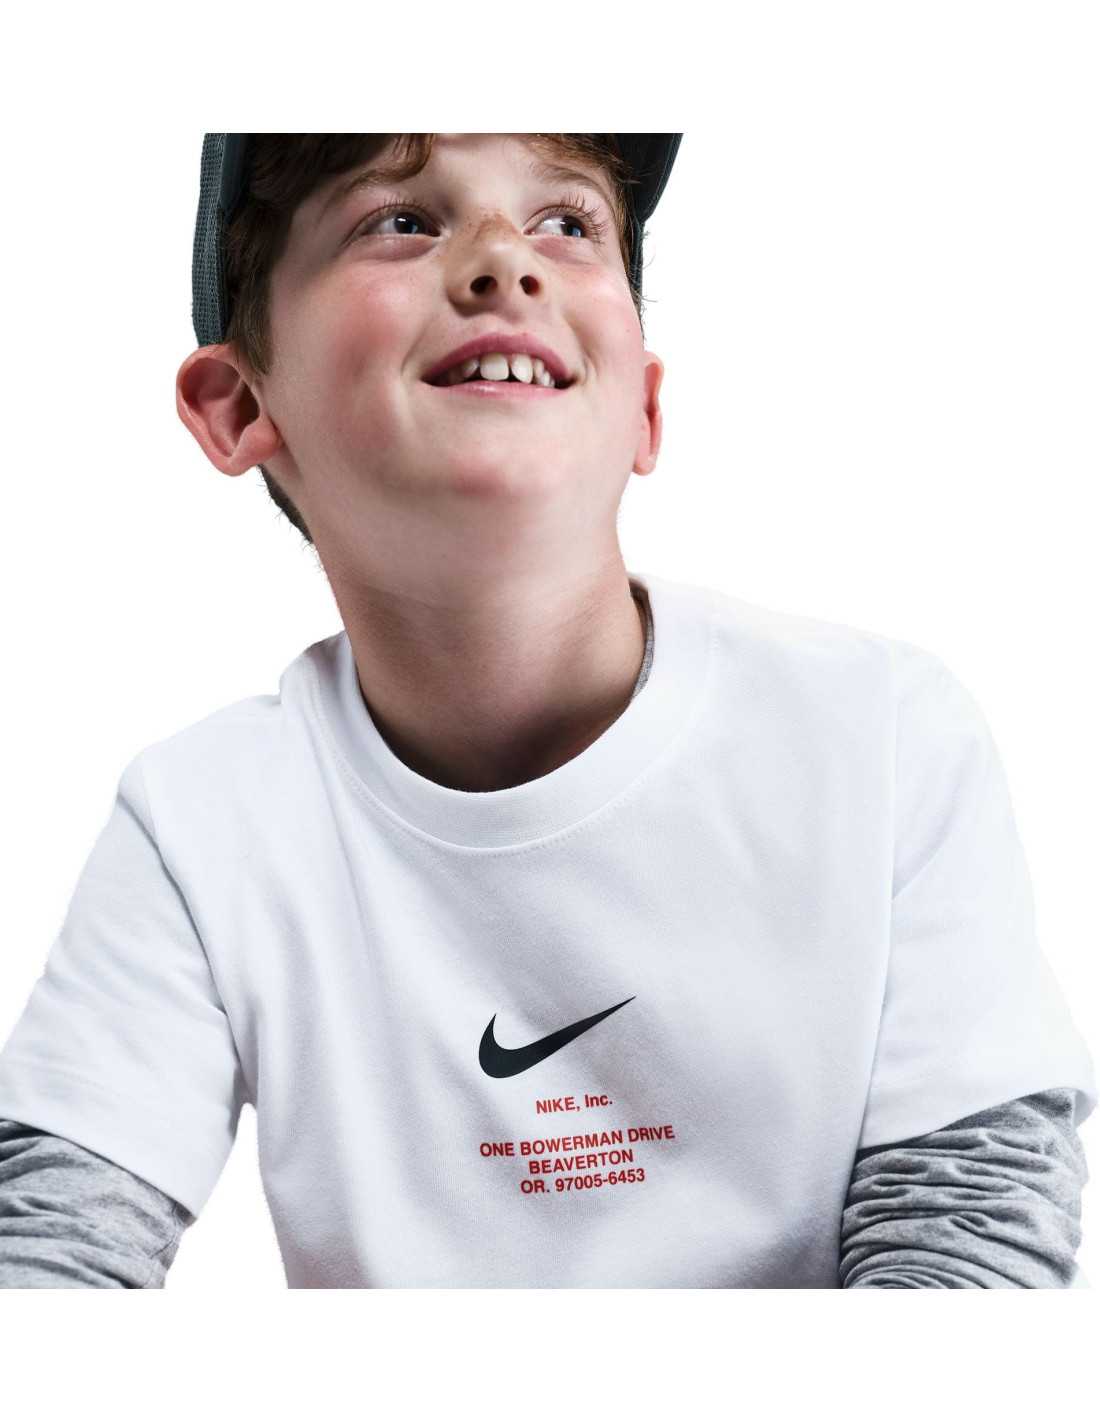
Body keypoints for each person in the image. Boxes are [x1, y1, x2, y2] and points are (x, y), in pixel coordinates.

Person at [0, 133, 1094, 1289]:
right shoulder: (201, 823)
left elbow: (971, 1243)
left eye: (566, 225)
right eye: (399, 221)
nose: (502, 261)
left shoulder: (878, 736)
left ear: (643, 408)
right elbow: (47, 1264)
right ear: (237, 406)